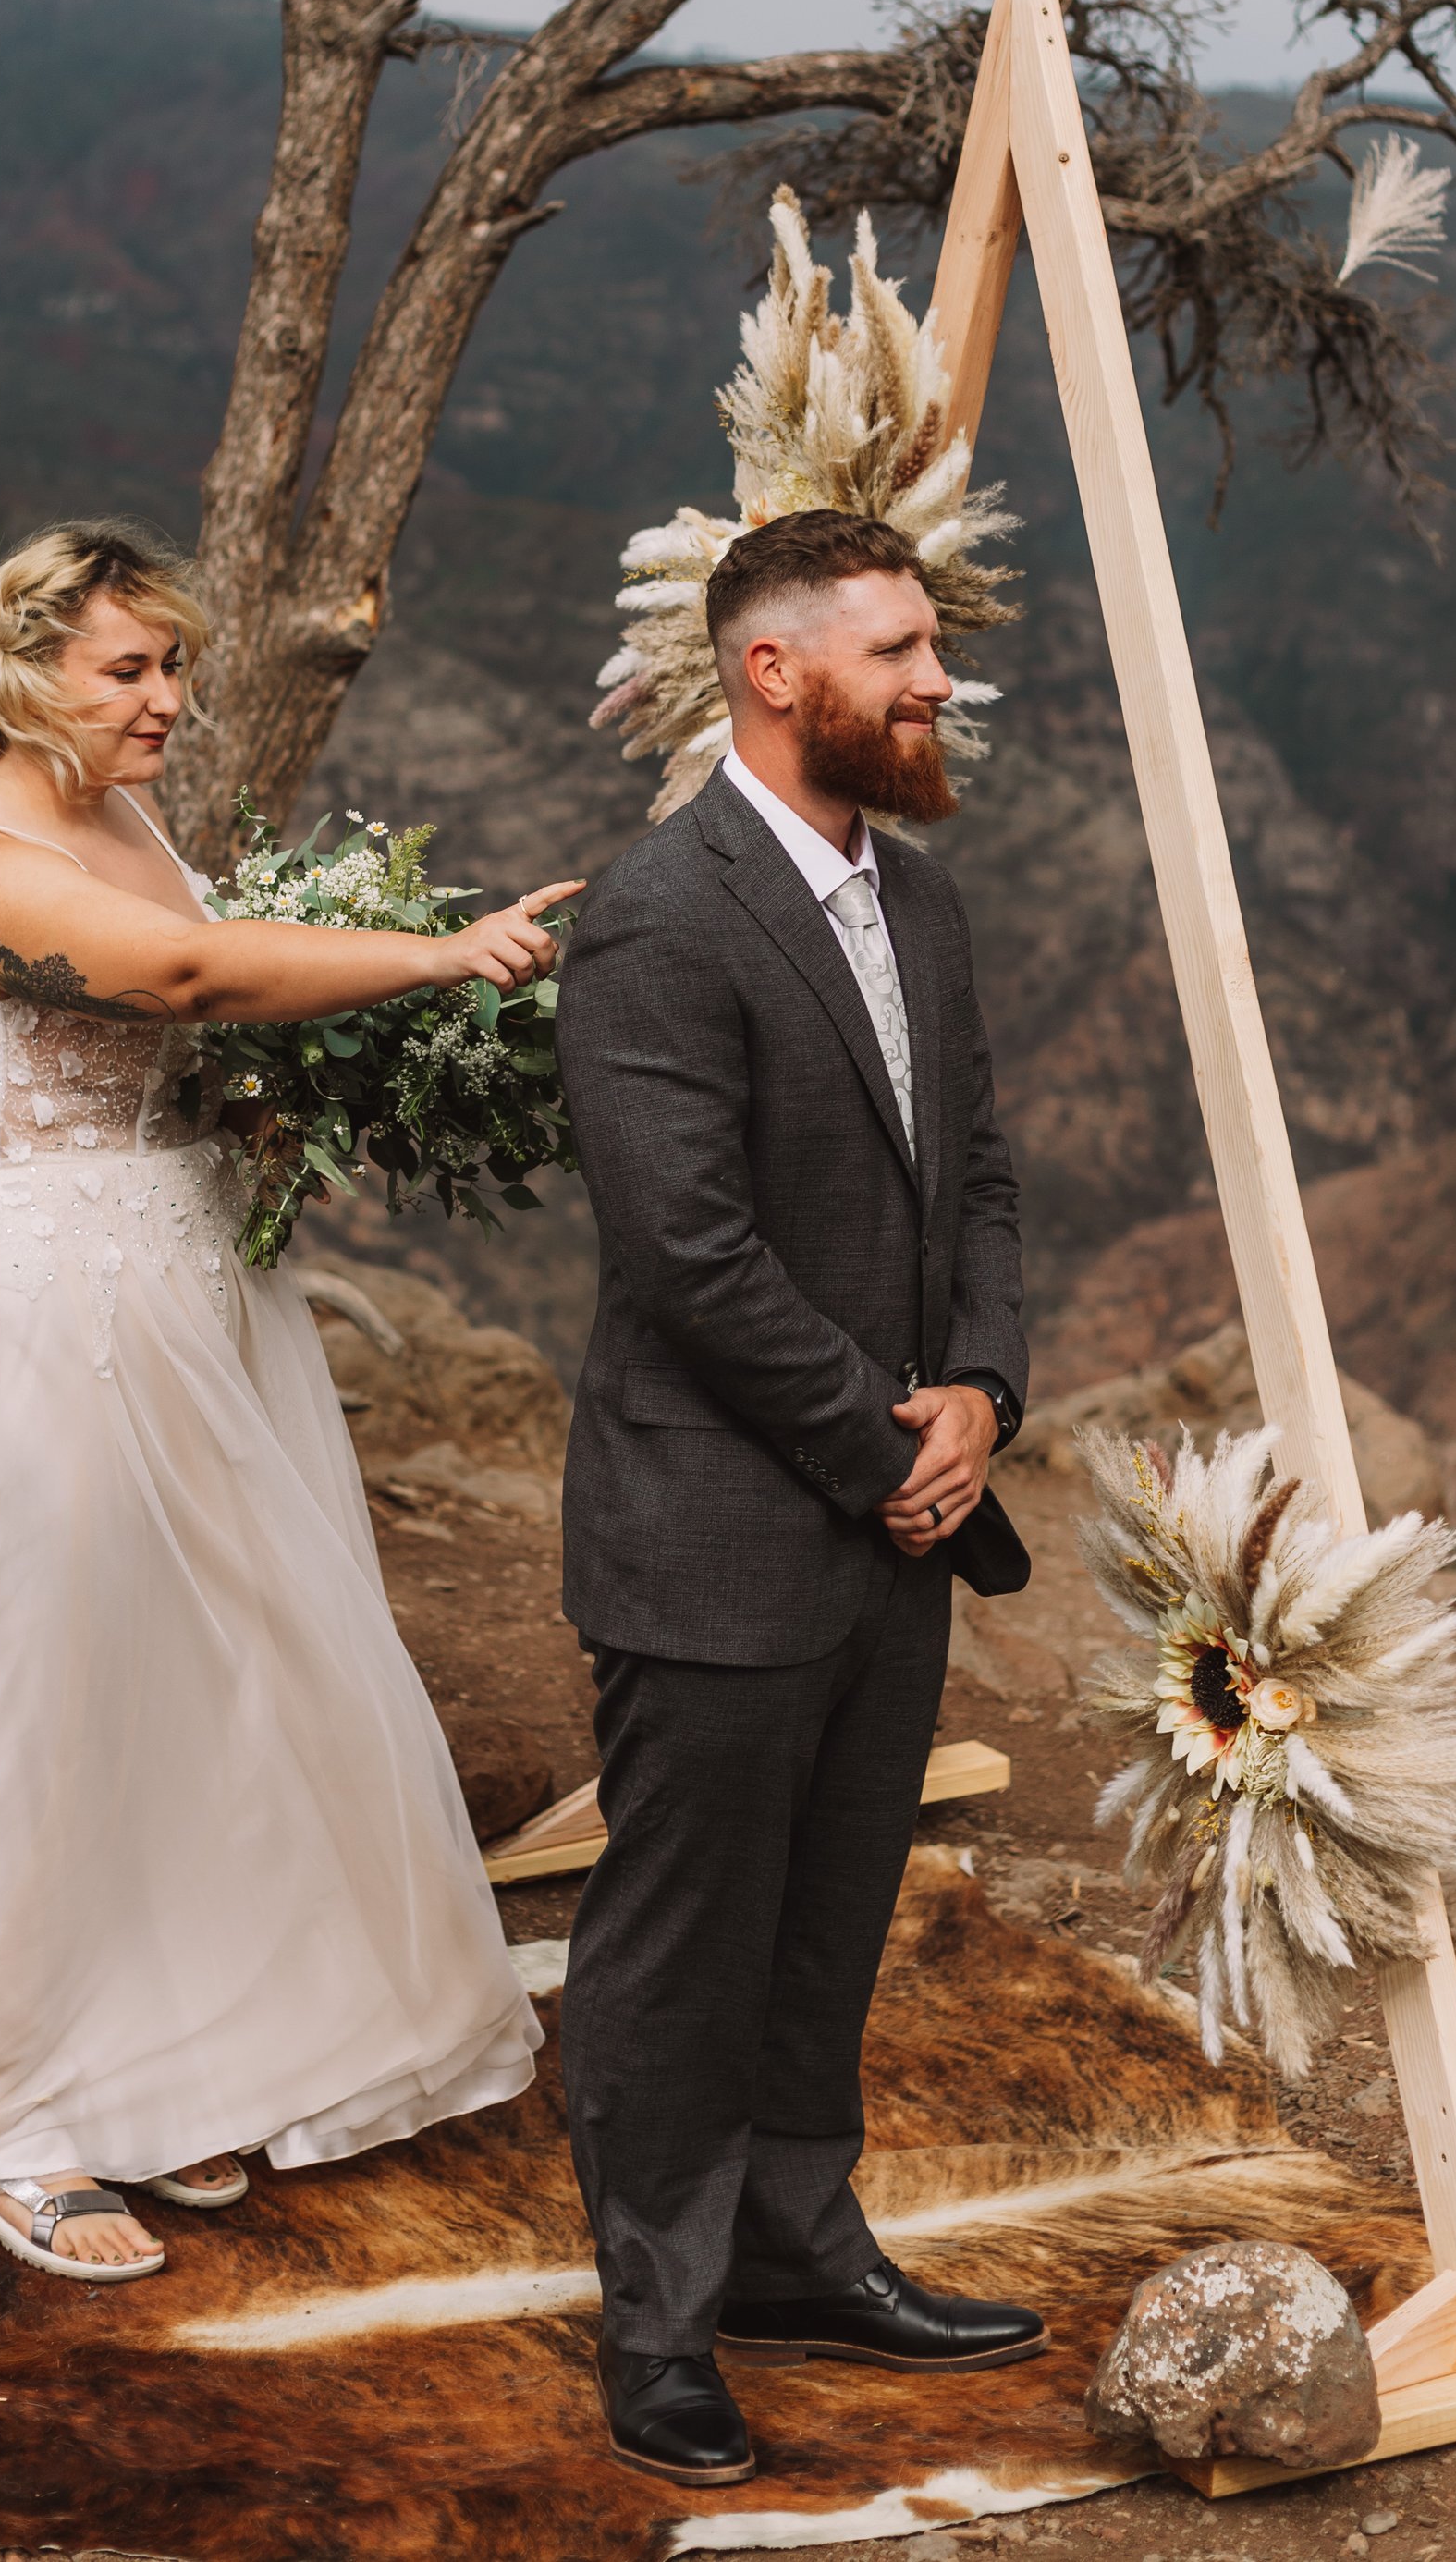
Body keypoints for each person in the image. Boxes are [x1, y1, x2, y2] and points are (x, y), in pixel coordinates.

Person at [0, 521, 580, 2280]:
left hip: (180, 1295)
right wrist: (437, 959)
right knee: (32, 1698)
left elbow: (196, 1028)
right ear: (27, 677)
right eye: (129, 667)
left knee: (202, 1680)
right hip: (14, 1310)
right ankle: (8, 2128)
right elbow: (180, 976)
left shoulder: (120, 816)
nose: (170, 696)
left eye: (175, 662)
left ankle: (159, 2071)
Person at [552, 509, 1042, 2491]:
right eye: (901, 648)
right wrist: (884, 1441)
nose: (938, 681)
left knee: (827, 1921)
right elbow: (686, 1252)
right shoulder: (657, 916)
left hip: (889, 1530)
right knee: (678, 1951)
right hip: (720, 1528)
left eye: (929, 646)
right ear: (774, 674)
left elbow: (982, 1178)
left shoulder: (918, 903)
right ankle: (658, 2328)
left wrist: (987, 1394)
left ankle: (793, 2249)